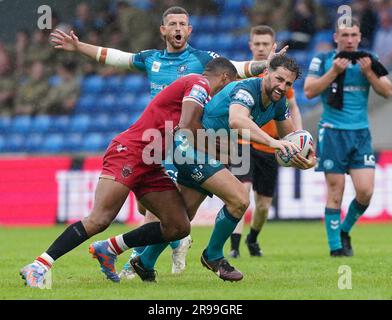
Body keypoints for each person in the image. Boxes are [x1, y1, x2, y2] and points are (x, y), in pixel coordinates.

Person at [50, 6, 275, 277]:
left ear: (190, 30)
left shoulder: (202, 60)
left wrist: (267, 65)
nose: (179, 28)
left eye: (183, 24)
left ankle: (136, 263)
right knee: (160, 210)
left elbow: (236, 68)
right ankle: (165, 247)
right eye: (173, 24)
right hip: (156, 142)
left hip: (186, 142)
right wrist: (79, 46)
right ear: (163, 29)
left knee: (164, 213)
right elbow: (117, 57)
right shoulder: (151, 59)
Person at [19, 58, 237, 288]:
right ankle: (38, 266)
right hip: (130, 151)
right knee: (100, 219)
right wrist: (224, 149)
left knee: (178, 226)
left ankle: (109, 248)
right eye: (230, 85)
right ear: (225, 78)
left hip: (151, 162)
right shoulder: (199, 83)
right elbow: (186, 125)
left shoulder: (204, 95)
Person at [99, 55, 315, 283]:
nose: (282, 86)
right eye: (279, 79)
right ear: (266, 73)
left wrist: (306, 158)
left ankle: (143, 262)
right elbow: (237, 121)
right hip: (192, 145)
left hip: (210, 151)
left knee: (180, 221)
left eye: (288, 83)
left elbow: (290, 139)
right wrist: (273, 143)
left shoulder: (279, 102)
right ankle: (212, 255)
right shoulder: (246, 89)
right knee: (240, 198)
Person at [304, 18, 392, 257]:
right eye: (345, 35)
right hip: (333, 132)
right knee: (336, 191)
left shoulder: (369, 59)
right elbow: (309, 91)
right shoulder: (322, 60)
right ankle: (336, 249)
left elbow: (387, 91)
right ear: (336, 38)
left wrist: (369, 73)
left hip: (360, 133)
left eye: (354, 35)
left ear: (360, 36)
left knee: (366, 192)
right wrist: (334, 71)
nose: (350, 40)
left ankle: (344, 231)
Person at [229, 25, 303, 259]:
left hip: (270, 146)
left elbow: (292, 107)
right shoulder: (244, 73)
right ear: (251, 45)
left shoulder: (281, 79)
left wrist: (298, 136)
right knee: (242, 193)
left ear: (273, 46)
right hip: (243, 142)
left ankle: (252, 238)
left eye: (265, 44)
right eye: (257, 44)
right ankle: (233, 247)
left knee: (263, 205)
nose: (261, 48)